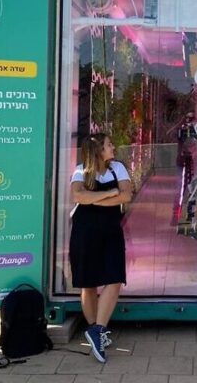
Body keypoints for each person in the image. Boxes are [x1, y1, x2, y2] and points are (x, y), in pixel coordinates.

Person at [69, 133, 132, 363]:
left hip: (111, 231)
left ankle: (98, 330)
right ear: (98, 151)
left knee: (115, 278)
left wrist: (92, 198)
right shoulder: (81, 170)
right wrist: (107, 193)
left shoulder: (118, 168)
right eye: (108, 145)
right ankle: (96, 331)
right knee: (88, 283)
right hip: (84, 232)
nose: (112, 147)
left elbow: (126, 194)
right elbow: (76, 194)